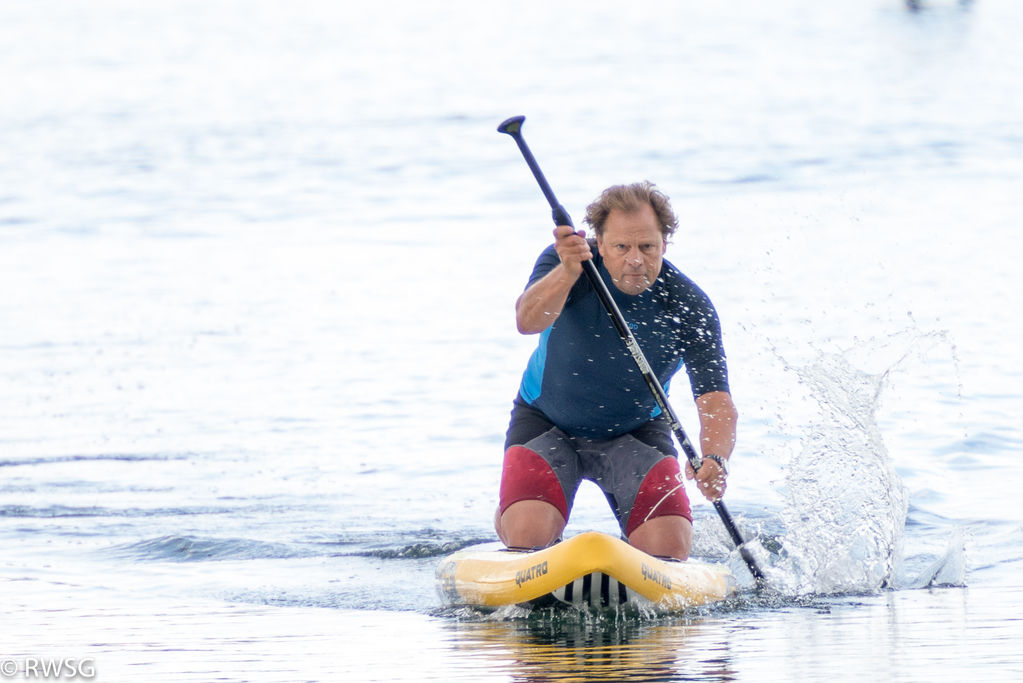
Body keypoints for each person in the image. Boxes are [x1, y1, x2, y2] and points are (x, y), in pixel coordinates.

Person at [494, 181, 738, 561]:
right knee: (528, 538)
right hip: (547, 421)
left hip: (636, 431)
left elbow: (716, 399)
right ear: (600, 243)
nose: (635, 259)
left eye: (647, 247)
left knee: (669, 551)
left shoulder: (687, 305)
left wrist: (715, 459)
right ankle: (517, 510)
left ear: (664, 245)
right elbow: (528, 321)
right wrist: (568, 272)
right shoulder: (566, 262)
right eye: (622, 247)